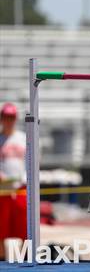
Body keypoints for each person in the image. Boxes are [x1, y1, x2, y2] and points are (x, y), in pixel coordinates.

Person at [0, 103, 27, 260]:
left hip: (21, 189)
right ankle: (2, 262)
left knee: (24, 228)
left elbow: (33, 162)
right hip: (2, 190)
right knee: (1, 229)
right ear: (1, 118)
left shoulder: (23, 138)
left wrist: (24, 178)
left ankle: (24, 260)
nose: (8, 120)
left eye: (11, 117)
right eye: (6, 117)